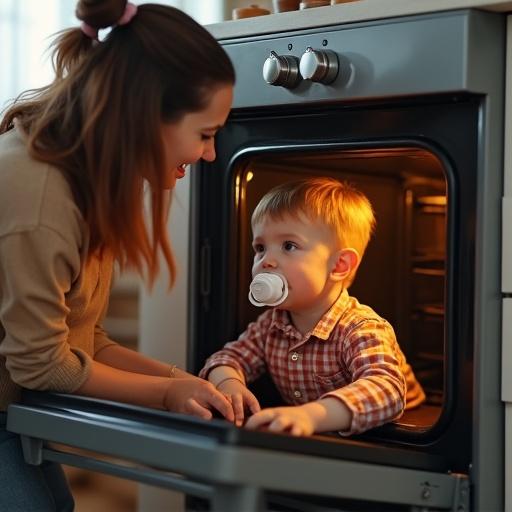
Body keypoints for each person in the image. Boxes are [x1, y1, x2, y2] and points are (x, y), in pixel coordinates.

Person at [0, 1, 235, 510]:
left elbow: (87, 339)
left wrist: (180, 381)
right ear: (146, 115)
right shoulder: (41, 197)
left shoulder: (89, 183)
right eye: (206, 134)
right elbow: (40, 366)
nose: (210, 154)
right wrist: (165, 396)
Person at [200, 177, 426, 437]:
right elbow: (226, 358)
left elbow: (386, 390)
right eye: (260, 248)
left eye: (289, 246)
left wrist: (310, 415)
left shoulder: (361, 328)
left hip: (394, 435)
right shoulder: (270, 325)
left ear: (339, 265)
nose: (266, 261)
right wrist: (229, 383)